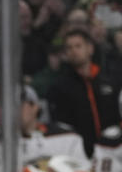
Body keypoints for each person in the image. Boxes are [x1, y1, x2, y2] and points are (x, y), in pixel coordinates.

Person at [46, 28, 121, 157]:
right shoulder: (59, 87)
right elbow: (60, 126)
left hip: (115, 151)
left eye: (78, 46)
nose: (73, 51)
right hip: (79, 155)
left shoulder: (112, 79)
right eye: (69, 48)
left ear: (90, 49)